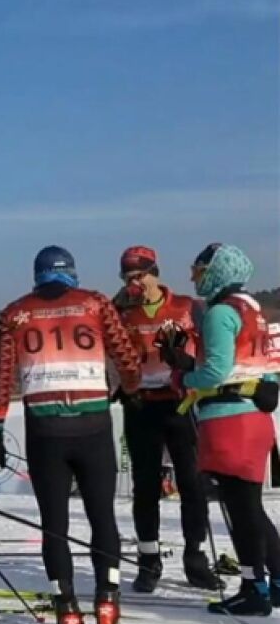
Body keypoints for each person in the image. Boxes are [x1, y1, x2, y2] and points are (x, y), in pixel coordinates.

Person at [0, 246, 142, 624]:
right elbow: (127, 358)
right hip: (93, 425)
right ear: (72, 271)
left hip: (45, 431)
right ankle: (107, 600)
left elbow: (1, 377)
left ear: (36, 274)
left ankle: (66, 608)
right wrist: (133, 387)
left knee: (54, 526)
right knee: (102, 515)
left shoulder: (15, 313)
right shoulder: (95, 303)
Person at [160, 244, 280, 615]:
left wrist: (182, 374)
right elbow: (262, 363)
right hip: (256, 418)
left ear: (216, 271)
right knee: (251, 506)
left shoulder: (219, 313)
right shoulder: (254, 310)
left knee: (239, 508)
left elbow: (216, 371)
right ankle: (274, 580)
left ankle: (252, 588)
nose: (193, 277)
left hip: (228, 420)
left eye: (198, 270)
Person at [112, 246, 220, 592]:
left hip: (181, 402)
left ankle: (195, 556)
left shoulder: (189, 307)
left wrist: (195, 371)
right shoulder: (123, 312)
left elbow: (211, 349)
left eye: (140, 276)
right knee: (145, 486)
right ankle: (148, 559)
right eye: (128, 278)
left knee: (192, 483)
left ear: (155, 273)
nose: (135, 283)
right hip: (141, 404)